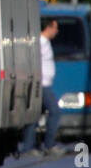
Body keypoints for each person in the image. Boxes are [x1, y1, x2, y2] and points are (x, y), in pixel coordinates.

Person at [20, 18, 63, 155]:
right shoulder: (40, 42)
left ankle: (28, 146)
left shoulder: (45, 43)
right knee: (55, 112)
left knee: (35, 115)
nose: (57, 31)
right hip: (42, 85)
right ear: (48, 28)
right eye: (55, 28)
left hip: (45, 83)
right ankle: (49, 145)